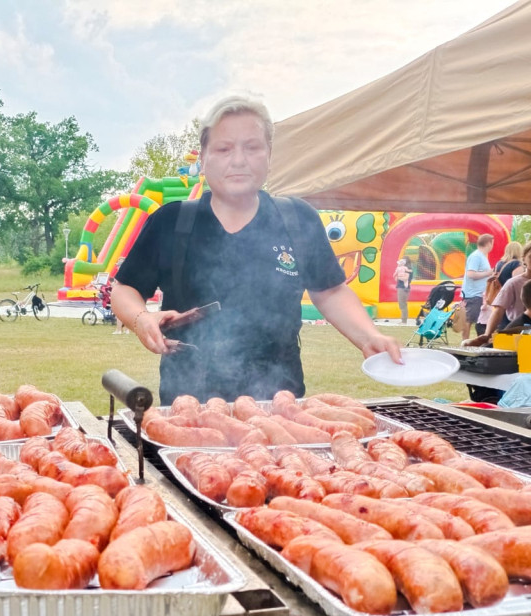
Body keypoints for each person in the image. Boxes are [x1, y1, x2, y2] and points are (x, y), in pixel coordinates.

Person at [112, 96, 401, 403]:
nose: (238, 160)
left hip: (279, 402)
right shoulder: (171, 220)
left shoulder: (297, 218)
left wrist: (370, 336)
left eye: (252, 147)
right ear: (204, 156)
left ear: (268, 154)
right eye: (224, 149)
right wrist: (141, 319)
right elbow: (124, 289)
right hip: (188, 404)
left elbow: (330, 292)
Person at [468, 239, 531, 346]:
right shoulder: (514, 283)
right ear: (524, 258)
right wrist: (487, 334)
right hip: (519, 333)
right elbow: (498, 310)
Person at [460, 234, 494, 340]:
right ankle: (464, 342)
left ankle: (471, 341)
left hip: (479, 294)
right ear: (489, 243)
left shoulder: (482, 257)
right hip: (473, 294)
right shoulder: (476, 256)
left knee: (476, 321)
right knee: (468, 320)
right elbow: (471, 274)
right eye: (492, 243)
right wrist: (488, 273)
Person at [393, 258, 412, 324]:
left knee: (403, 304)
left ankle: (404, 320)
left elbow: (405, 278)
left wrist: (398, 277)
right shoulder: (401, 269)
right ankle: (403, 320)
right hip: (401, 287)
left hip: (403, 288)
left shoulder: (407, 270)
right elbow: (396, 278)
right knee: (402, 304)